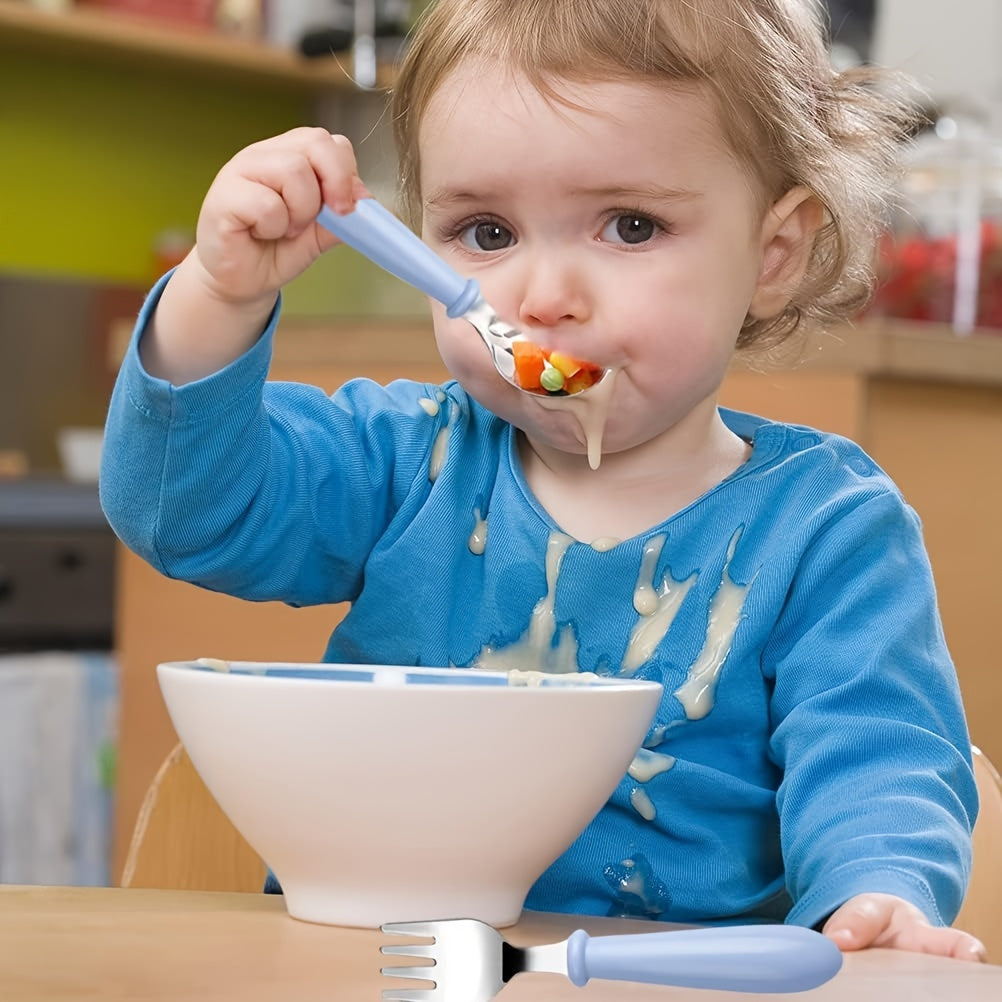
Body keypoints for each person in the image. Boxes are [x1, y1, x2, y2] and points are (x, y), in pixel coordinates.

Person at [99, 0, 984, 961]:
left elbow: (878, 762)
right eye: (485, 233)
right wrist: (219, 297)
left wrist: (876, 898)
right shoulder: (408, 462)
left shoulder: (825, 529)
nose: (543, 297)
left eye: (631, 226)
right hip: (385, 972)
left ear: (774, 254)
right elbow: (182, 511)